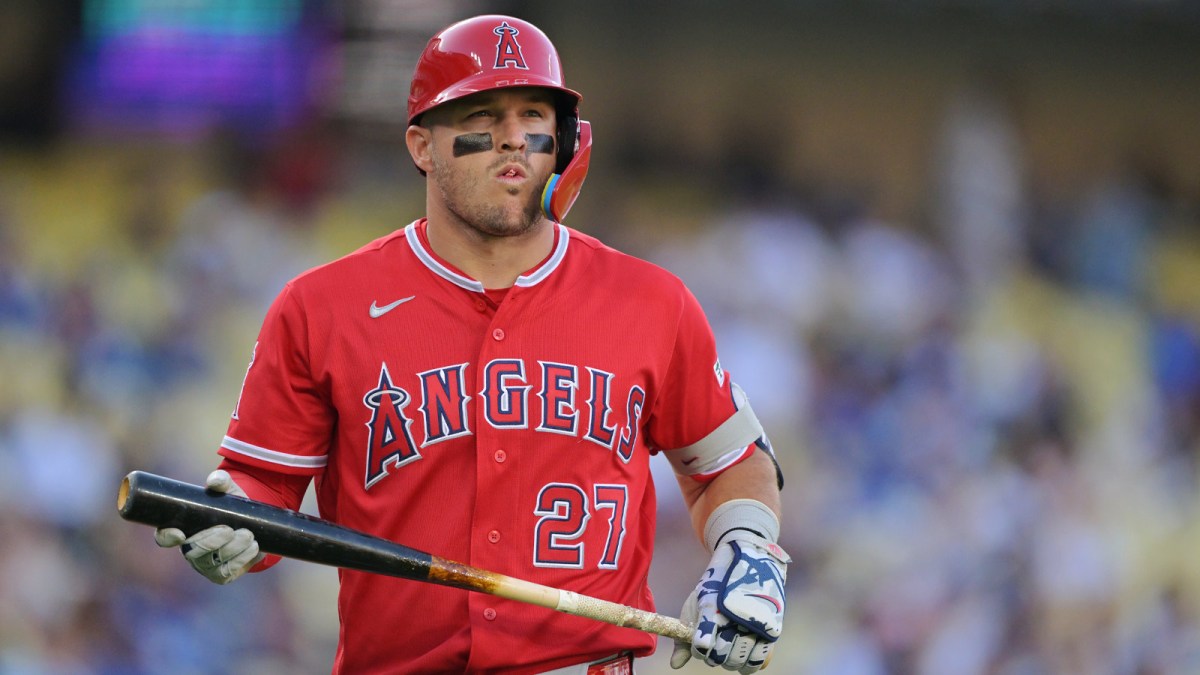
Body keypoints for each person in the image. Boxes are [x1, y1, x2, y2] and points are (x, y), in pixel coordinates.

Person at [154, 14, 788, 675]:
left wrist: (747, 546)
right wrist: (234, 523)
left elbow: (728, 459)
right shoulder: (321, 308)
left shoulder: (652, 302)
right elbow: (262, 488)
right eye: (482, 116)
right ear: (423, 146)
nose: (514, 138)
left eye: (534, 114)